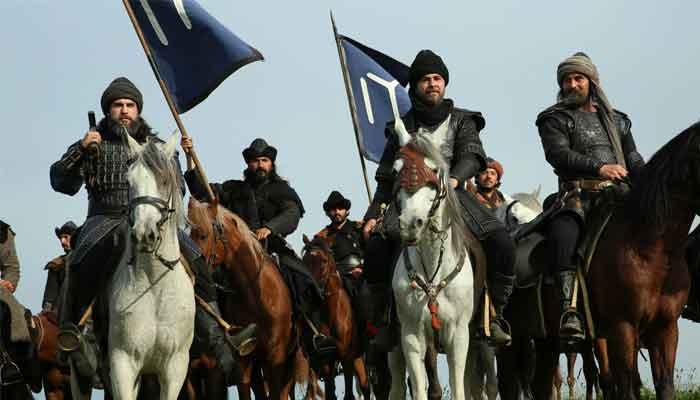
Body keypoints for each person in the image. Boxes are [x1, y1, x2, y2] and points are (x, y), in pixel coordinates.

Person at [50, 77, 254, 382]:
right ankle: (75, 335)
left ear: (138, 110)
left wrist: (169, 190)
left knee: (195, 256)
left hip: (153, 218)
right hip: (104, 218)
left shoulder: (157, 147)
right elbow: (60, 182)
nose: (124, 110)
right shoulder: (92, 142)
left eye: (130, 105)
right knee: (78, 260)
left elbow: (179, 189)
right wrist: (80, 149)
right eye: (118, 105)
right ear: (107, 110)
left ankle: (217, 336)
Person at [362, 49, 516, 346]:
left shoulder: (463, 120)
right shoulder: (401, 127)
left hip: (454, 194)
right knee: (377, 247)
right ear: (415, 86)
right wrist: (372, 215)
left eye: (437, 78)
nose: (432, 84)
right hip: (408, 199)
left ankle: (493, 315)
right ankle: (384, 320)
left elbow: (473, 155)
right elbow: (385, 178)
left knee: (502, 243)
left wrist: (455, 177)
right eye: (425, 79)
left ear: (444, 83)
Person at [182, 137, 336, 357]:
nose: (260, 165)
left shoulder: (281, 190)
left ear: (271, 164)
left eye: (264, 160)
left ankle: (313, 334)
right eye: (255, 161)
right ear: (248, 164)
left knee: (302, 280)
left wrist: (270, 228)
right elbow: (202, 191)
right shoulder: (234, 188)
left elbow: (291, 214)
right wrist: (189, 158)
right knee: (208, 284)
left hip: (272, 246)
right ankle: (217, 340)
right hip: (237, 253)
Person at [536, 52, 644, 342]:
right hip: (576, 196)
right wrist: (600, 168)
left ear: (592, 81)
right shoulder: (554, 118)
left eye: (578, 78)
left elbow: (632, 157)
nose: (572, 84)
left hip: (620, 194)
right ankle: (568, 309)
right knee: (564, 235)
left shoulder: (618, 121)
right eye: (567, 80)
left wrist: (648, 179)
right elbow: (559, 154)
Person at [41, 221, 77, 314]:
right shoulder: (57, 264)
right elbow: (50, 296)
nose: (62, 242)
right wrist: (47, 310)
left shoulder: (86, 259)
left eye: (66, 237)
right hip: (60, 313)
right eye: (61, 238)